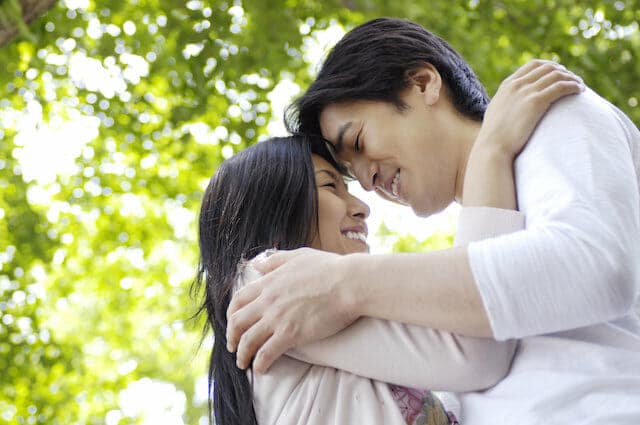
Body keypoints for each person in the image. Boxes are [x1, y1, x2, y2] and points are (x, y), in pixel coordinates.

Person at [225, 18, 640, 424]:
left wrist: (343, 282)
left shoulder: (548, 111)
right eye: (349, 172)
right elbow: (473, 355)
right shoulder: (465, 262)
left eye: (358, 143)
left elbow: (594, 268)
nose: (367, 185)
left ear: (424, 83)